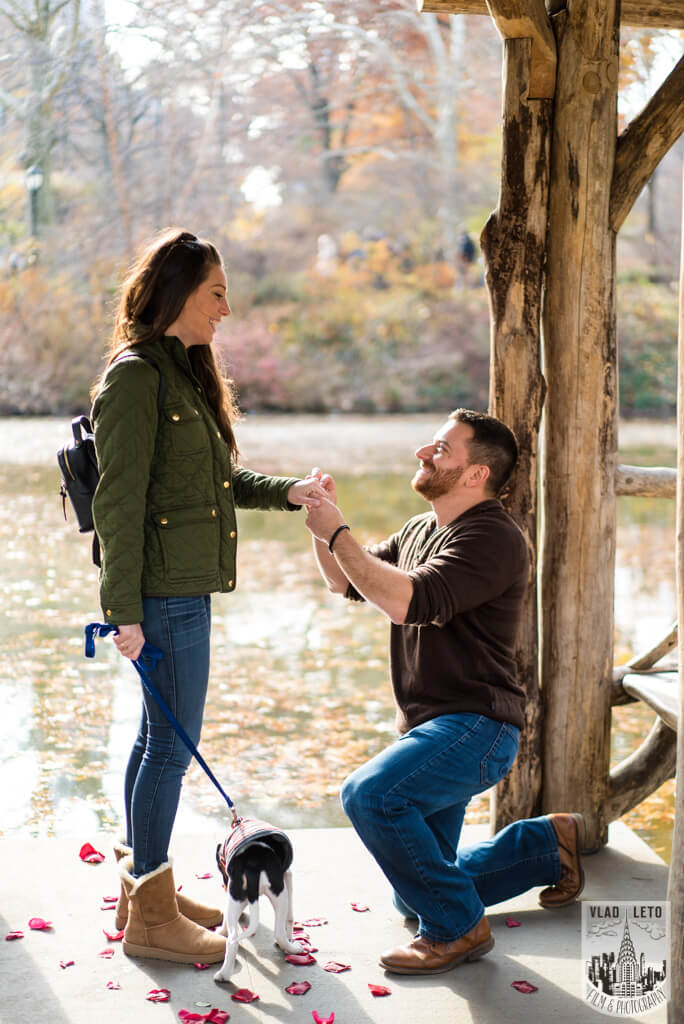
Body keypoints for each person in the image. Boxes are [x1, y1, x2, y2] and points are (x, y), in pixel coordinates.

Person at [90, 227, 326, 965]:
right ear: (178, 292)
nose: (227, 309)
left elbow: (215, 486)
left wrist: (288, 492)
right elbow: (117, 504)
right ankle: (152, 922)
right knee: (168, 748)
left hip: (183, 589)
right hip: (162, 594)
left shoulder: (184, 373)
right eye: (216, 293)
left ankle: (145, 887)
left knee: (151, 742)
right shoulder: (135, 379)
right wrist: (121, 611)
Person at [304, 409, 585, 976]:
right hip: (436, 728)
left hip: (478, 727)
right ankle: (543, 847)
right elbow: (345, 580)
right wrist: (319, 524)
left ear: (476, 474)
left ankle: (459, 929)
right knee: (413, 895)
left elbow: (409, 602)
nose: (422, 454)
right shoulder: (418, 529)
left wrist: (339, 532)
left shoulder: (494, 538)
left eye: (441, 448)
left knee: (371, 795)